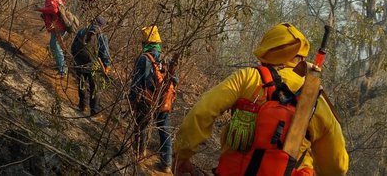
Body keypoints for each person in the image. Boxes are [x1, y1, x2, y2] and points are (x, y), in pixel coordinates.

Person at [173, 23, 349, 176]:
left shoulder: (247, 77)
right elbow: (338, 165)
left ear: (267, 50)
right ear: (301, 57)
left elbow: (201, 111)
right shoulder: (314, 98)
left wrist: (183, 155)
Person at [129, 26, 179, 173]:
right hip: (163, 99)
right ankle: (166, 163)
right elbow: (175, 79)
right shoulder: (166, 58)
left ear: (145, 42)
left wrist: (132, 99)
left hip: (147, 99)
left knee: (141, 124)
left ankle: (139, 153)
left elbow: (138, 82)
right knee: (164, 129)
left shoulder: (144, 58)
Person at [71, 16, 111, 117]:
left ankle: (82, 106)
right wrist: (107, 66)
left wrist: (77, 60)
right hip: (95, 66)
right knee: (95, 88)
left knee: (82, 85)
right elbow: (105, 53)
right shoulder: (102, 36)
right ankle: (94, 112)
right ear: (102, 26)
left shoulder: (81, 32)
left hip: (80, 64)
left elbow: (73, 47)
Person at [34, 0, 67, 77]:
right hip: (60, 25)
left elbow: (53, 10)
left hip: (58, 27)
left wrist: (40, 9)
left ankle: (62, 71)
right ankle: (60, 67)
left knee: (55, 46)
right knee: (55, 45)